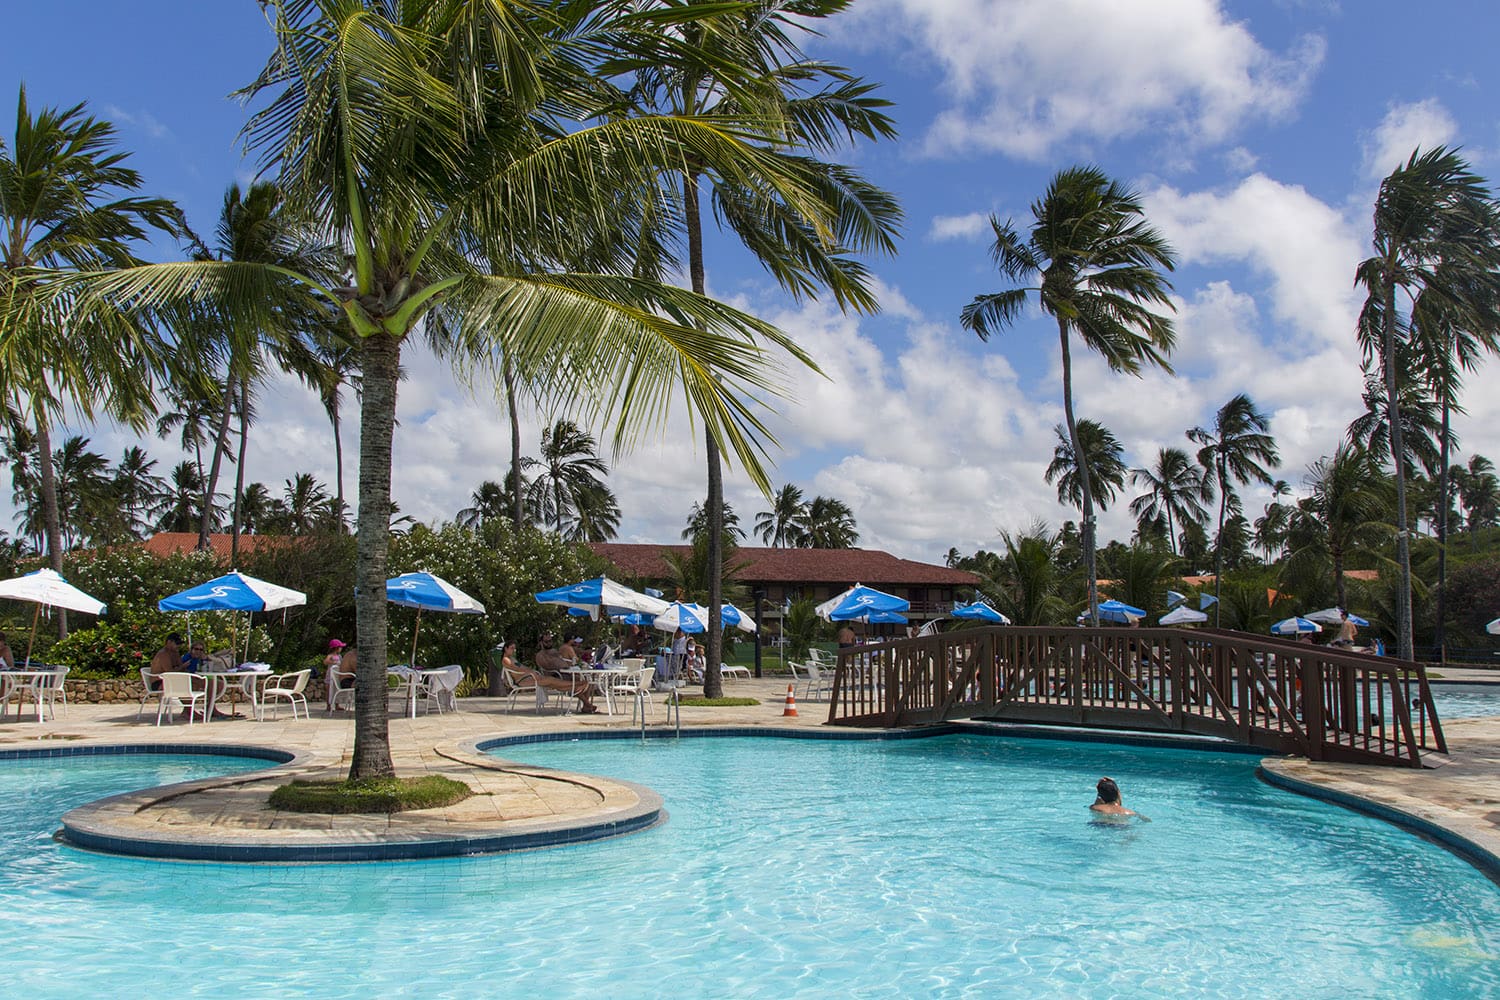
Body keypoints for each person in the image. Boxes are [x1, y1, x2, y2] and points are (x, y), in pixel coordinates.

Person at [533, 634, 598, 713]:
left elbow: (563, 660)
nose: (549, 643)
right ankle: (588, 704)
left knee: (588, 682)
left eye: (550, 641)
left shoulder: (554, 651)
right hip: (555, 676)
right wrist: (558, 665)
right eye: (546, 641)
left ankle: (586, 707)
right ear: (541, 642)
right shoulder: (540, 655)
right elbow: (547, 668)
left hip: (565, 673)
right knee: (576, 683)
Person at [328, 643, 357, 711]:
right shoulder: (352, 656)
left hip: (349, 679)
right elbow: (358, 671)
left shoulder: (349, 655)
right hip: (346, 682)